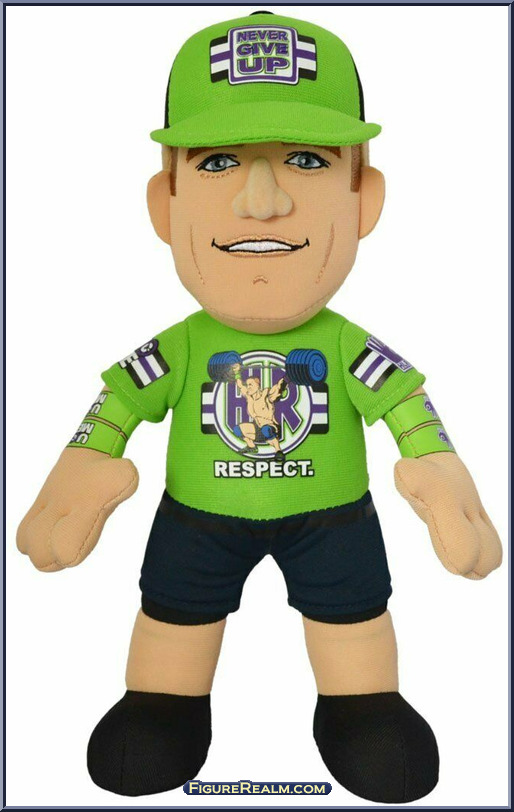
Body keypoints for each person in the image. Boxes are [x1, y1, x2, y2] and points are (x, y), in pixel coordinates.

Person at [17, 11, 502, 803]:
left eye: (307, 160)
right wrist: (85, 461)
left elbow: (405, 404)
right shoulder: (179, 346)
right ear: (165, 203)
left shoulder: (345, 344)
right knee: (172, 620)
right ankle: (164, 706)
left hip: (333, 518)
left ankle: (362, 708)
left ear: (364, 198)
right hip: (196, 517)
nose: (263, 199)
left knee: (356, 628)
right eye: (217, 162)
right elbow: (119, 401)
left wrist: (440, 470)